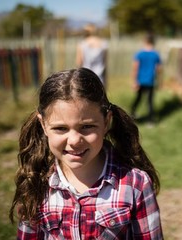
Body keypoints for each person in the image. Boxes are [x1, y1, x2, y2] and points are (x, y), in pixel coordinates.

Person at [9, 68, 163, 239]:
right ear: (43, 125)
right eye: (61, 128)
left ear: (106, 121)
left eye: (87, 126)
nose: (74, 140)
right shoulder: (35, 183)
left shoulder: (136, 185)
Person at [131, 33, 162, 123]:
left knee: (138, 98)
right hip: (151, 81)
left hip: (140, 80)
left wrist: (134, 81)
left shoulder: (139, 54)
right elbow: (158, 69)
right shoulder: (155, 55)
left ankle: (131, 115)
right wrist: (159, 81)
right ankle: (151, 120)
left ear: (145, 41)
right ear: (153, 42)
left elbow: (135, 68)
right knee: (150, 101)